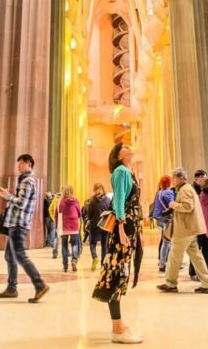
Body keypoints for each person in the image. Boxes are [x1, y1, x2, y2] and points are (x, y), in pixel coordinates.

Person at [92, 143, 144, 344]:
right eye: (125, 147)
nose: (130, 147)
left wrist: (137, 230)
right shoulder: (121, 171)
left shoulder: (127, 172)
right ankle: (117, 327)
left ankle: (119, 325)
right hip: (124, 227)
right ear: (118, 155)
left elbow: (134, 204)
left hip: (130, 226)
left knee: (121, 272)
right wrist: (121, 228)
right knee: (117, 272)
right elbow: (119, 202)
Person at [0, 154, 49, 303]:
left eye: (21, 163)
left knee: (19, 255)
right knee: (10, 256)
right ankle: (12, 288)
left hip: (18, 224)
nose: (18, 166)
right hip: (16, 223)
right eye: (18, 163)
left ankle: (40, 285)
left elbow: (21, 203)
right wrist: (8, 195)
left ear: (29, 164)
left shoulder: (27, 181)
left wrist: (7, 195)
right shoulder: (25, 181)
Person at [157, 167, 208, 294]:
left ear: (181, 178)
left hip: (184, 229)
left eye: (174, 178)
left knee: (174, 256)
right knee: (196, 257)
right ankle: (207, 283)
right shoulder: (187, 188)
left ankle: (170, 283)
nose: (173, 180)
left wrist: (173, 205)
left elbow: (188, 207)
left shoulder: (184, 190)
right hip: (190, 229)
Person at [188, 170, 208, 282]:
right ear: (196, 179)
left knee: (207, 249)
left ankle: (205, 271)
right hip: (197, 224)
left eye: (204, 177)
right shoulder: (192, 190)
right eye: (200, 178)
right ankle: (193, 272)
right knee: (196, 250)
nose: (202, 180)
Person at [151, 176, 175, 272]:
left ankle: (164, 262)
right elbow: (172, 205)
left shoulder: (158, 192)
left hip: (159, 218)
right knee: (167, 242)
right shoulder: (169, 192)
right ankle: (163, 264)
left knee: (164, 241)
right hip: (167, 218)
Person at [86, 183, 112, 271]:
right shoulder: (108, 199)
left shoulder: (92, 200)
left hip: (94, 224)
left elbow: (89, 213)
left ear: (94, 189)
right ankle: (103, 264)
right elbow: (111, 211)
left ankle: (94, 257)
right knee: (104, 244)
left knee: (92, 243)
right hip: (105, 224)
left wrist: (89, 219)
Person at [57, 185, 82, 272]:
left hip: (64, 225)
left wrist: (57, 225)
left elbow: (58, 214)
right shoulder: (76, 201)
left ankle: (65, 266)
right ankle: (74, 260)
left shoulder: (61, 202)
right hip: (74, 224)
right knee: (75, 244)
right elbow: (79, 213)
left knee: (64, 245)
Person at [48, 192, 62, 259]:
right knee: (65, 237)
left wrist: (53, 217)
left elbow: (50, 209)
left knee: (56, 236)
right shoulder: (66, 199)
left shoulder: (55, 199)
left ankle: (55, 252)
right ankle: (66, 252)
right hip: (64, 221)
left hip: (56, 220)